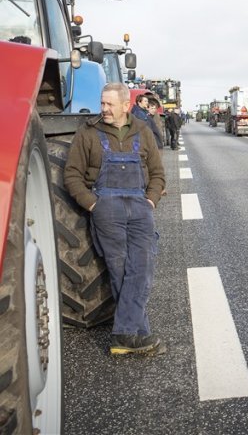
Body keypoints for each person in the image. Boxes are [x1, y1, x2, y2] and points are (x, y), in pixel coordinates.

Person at [63, 82, 166, 356]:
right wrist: (93, 204)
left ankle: (125, 334)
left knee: (142, 267)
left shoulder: (143, 132)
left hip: (139, 205)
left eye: (110, 104)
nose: (104, 109)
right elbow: (72, 174)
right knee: (120, 269)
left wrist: (151, 199)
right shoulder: (88, 133)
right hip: (106, 207)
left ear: (125, 105)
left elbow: (158, 173)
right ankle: (134, 335)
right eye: (102, 103)